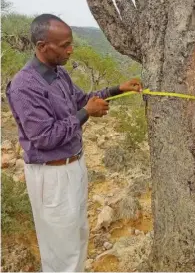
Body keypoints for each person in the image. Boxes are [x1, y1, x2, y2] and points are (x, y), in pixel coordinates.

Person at [6, 14, 143, 272]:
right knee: (61, 251)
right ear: (42, 46)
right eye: (64, 45)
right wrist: (85, 114)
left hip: (73, 167)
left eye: (71, 43)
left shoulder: (59, 74)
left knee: (78, 237)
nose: (71, 50)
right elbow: (44, 137)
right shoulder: (24, 86)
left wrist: (116, 89)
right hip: (51, 175)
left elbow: (82, 100)